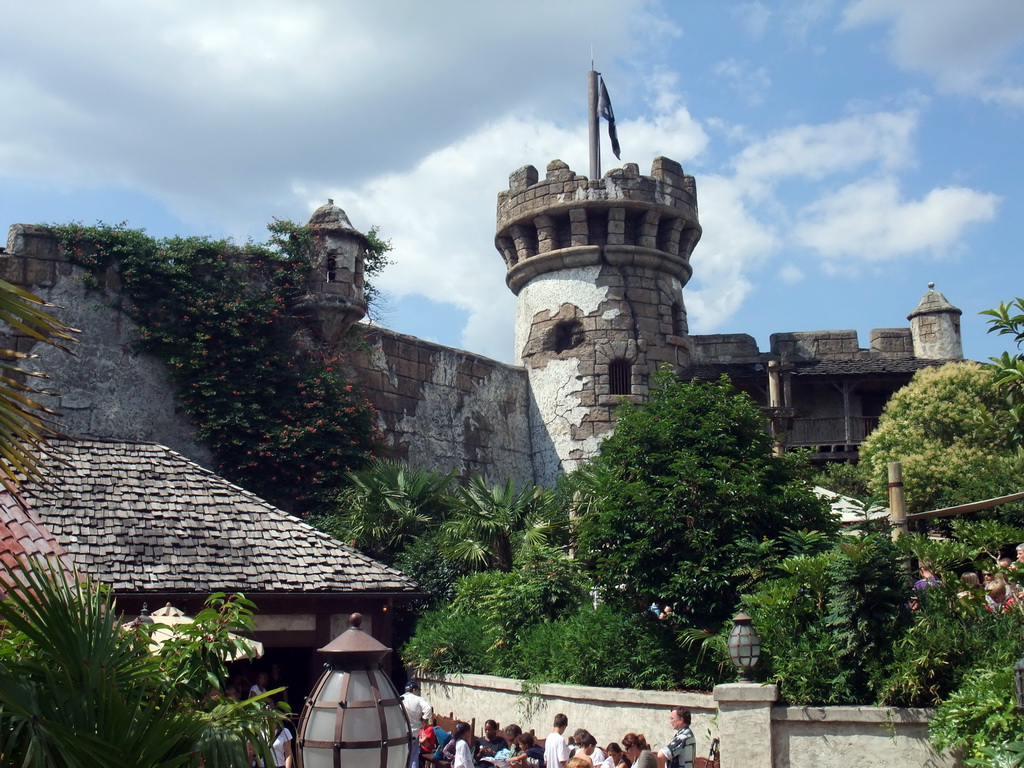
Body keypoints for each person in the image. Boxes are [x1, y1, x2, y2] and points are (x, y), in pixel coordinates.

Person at [402, 681, 433, 768]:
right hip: (415, 732)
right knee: (413, 756)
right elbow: (428, 708)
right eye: (417, 690)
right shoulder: (418, 699)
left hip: (403, 732)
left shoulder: (400, 698)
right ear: (414, 690)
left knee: (404, 756)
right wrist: (423, 720)